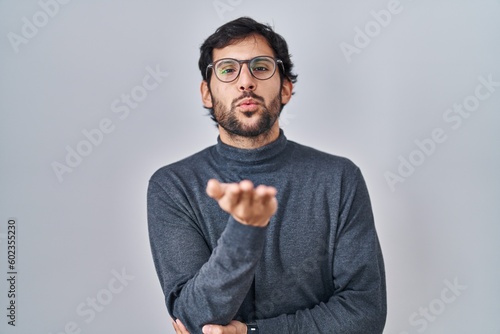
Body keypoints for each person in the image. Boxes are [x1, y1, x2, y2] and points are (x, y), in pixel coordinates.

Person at [148, 17, 386, 334]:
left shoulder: (339, 178)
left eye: (260, 68)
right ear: (207, 93)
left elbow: (365, 314)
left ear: (286, 88)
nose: (245, 82)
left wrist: (254, 333)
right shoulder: (172, 186)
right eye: (228, 70)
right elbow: (193, 318)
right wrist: (244, 231)